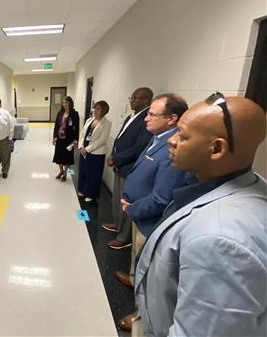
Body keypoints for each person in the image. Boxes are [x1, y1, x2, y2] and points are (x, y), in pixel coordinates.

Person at [135, 94, 267, 336]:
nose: (171, 141)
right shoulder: (244, 185)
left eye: (182, 136)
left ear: (216, 148)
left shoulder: (221, 239)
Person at [115, 93, 189, 332]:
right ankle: (133, 278)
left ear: (172, 119)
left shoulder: (172, 147)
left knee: (150, 275)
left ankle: (140, 317)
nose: (146, 118)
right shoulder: (157, 137)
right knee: (137, 255)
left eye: (152, 114)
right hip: (139, 215)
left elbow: (162, 198)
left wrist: (132, 207)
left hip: (151, 221)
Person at [103, 87, 153, 250]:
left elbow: (139, 147)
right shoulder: (132, 116)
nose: (132, 100)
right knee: (117, 198)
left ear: (147, 100)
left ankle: (123, 237)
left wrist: (116, 158)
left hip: (129, 167)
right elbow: (120, 139)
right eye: (131, 97)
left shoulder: (146, 118)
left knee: (126, 203)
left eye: (136, 98)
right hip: (120, 165)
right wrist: (114, 155)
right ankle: (117, 224)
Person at [77, 100, 112, 202]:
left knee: (94, 174)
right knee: (83, 171)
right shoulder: (89, 120)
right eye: (95, 108)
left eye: (98, 109)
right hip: (84, 150)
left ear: (104, 110)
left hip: (96, 153)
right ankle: (82, 189)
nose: (95, 111)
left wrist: (87, 149)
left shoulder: (107, 123)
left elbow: (102, 140)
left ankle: (91, 194)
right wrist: (80, 146)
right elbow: (82, 134)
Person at [53, 96, 80, 182]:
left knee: (67, 157)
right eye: (63, 102)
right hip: (60, 138)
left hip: (68, 139)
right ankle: (61, 171)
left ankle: (65, 174)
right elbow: (56, 126)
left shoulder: (74, 114)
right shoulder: (60, 113)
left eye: (66, 102)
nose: (64, 104)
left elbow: (77, 128)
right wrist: (54, 137)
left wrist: (75, 140)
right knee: (59, 155)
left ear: (70, 103)